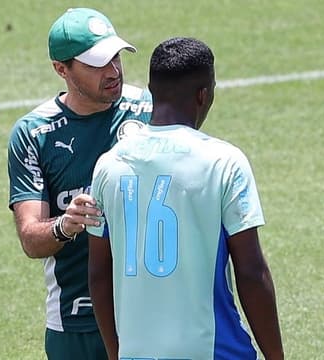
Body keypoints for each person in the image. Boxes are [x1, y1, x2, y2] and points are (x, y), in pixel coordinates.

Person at [87, 37, 284, 360]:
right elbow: (250, 271)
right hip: (216, 352)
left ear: (151, 91)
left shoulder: (108, 165)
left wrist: (116, 353)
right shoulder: (223, 162)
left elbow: (98, 272)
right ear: (203, 95)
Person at [6, 8, 152, 360]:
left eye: (115, 56)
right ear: (61, 69)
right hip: (77, 324)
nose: (114, 70)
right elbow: (30, 239)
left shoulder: (149, 109)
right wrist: (65, 225)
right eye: (97, 63)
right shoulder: (34, 135)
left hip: (153, 314)